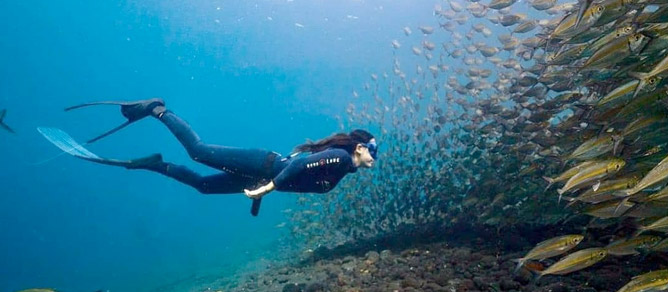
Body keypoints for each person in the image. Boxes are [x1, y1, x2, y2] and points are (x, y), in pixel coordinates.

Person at [41, 98, 378, 215]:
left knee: (202, 185)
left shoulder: (341, 169)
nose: (374, 160)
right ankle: (157, 110)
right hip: (262, 166)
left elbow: (297, 170)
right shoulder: (340, 158)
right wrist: (267, 189)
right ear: (359, 149)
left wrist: (260, 194)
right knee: (199, 152)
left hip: (259, 176)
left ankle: (156, 164)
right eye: (372, 153)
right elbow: (299, 164)